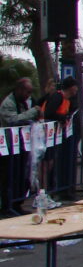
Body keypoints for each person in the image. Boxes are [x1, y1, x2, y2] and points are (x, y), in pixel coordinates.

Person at [1, 77, 39, 216]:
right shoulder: (8, 103)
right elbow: (12, 120)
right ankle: (7, 206)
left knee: (21, 176)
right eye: (27, 92)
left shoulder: (23, 102)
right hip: (8, 146)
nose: (29, 95)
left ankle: (17, 204)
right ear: (19, 89)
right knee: (8, 177)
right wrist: (32, 112)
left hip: (21, 145)